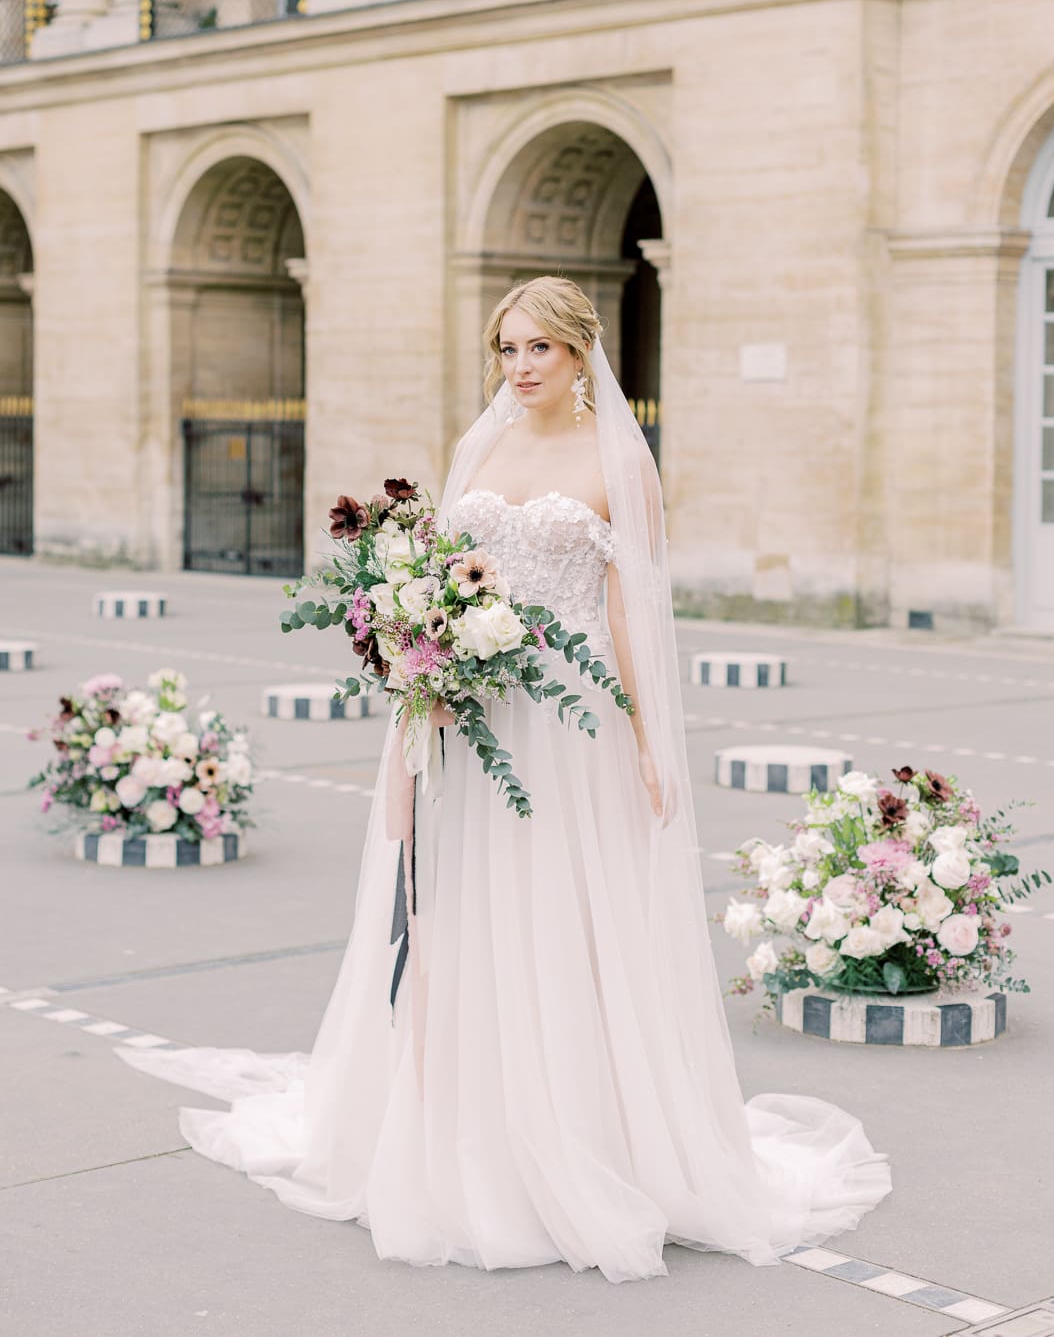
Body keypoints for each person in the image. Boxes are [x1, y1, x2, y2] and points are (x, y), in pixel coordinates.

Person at [120, 275, 891, 1283]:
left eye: (539, 350)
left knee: (568, 912)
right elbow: (431, 589)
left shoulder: (622, 460)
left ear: (580, 354)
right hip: (476, 713)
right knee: (472, 907)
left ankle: (582, 1133)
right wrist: (411, 711)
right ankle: (469, 1126)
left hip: (574, 724)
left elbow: (632, 616)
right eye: (507, 349)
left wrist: (652, 743)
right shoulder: (480, 447)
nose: (520, 368)